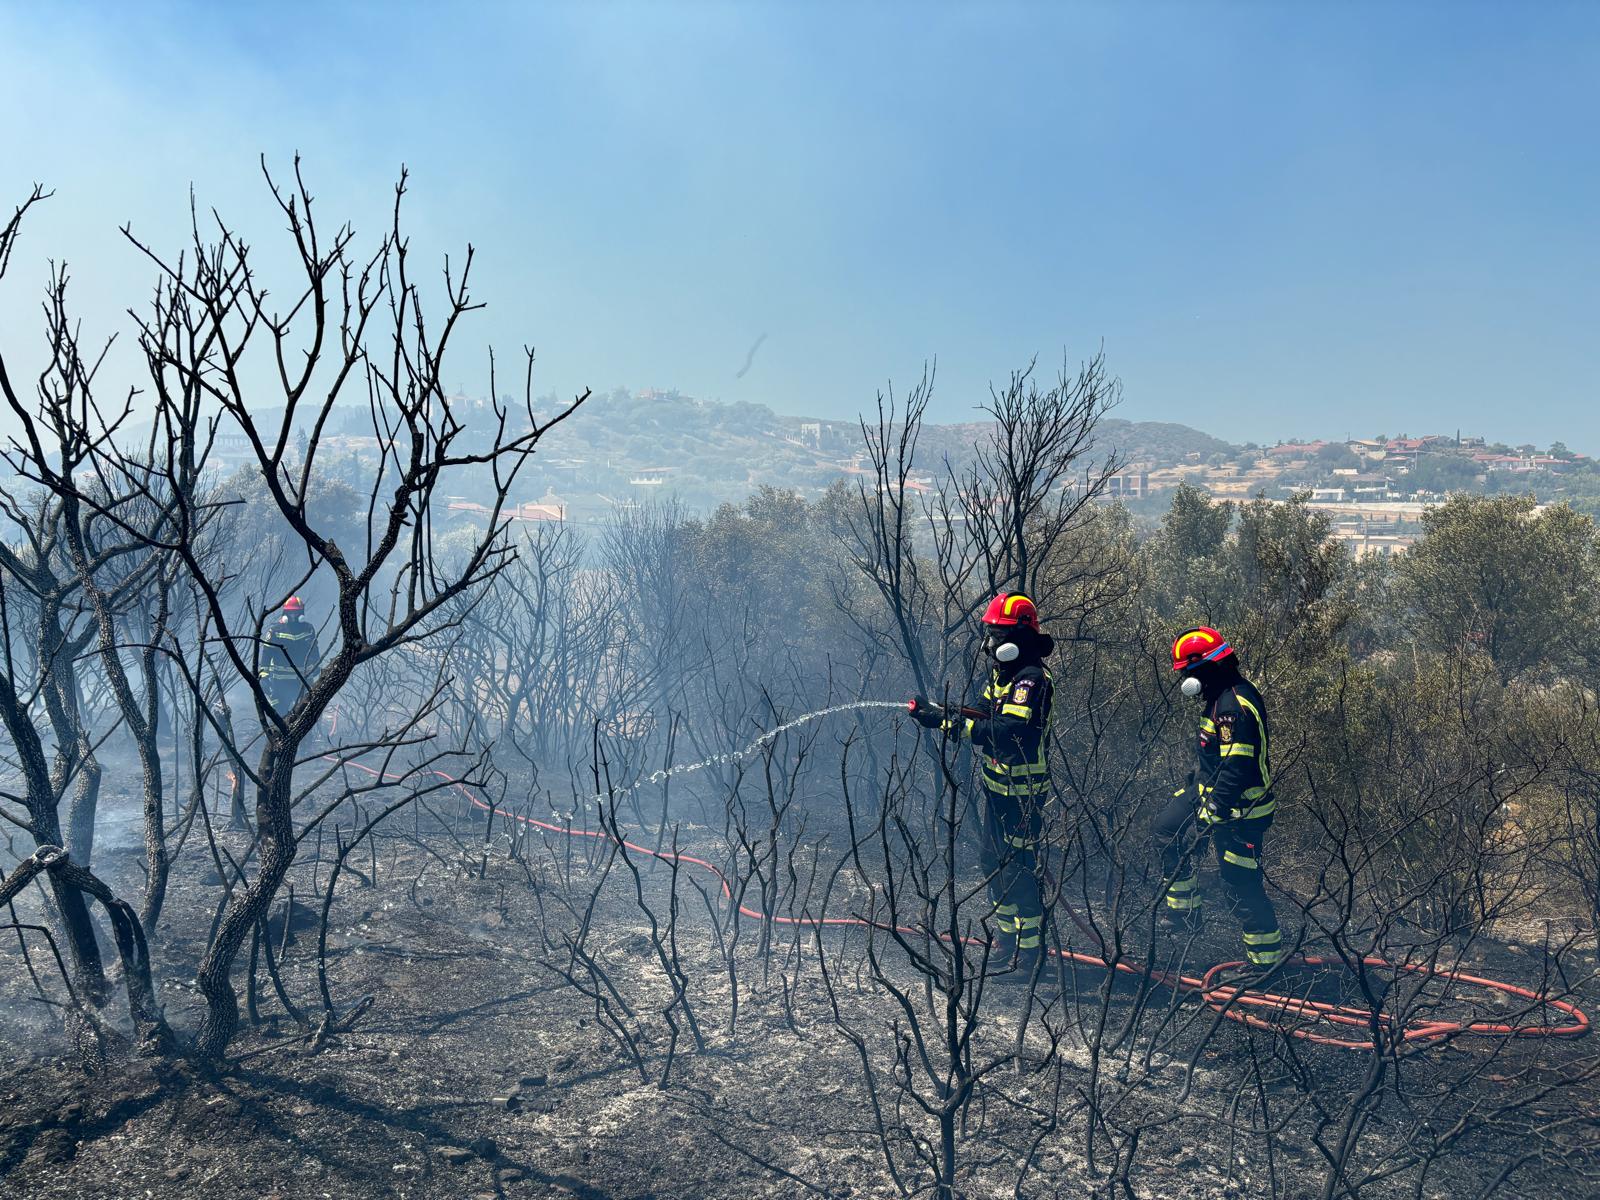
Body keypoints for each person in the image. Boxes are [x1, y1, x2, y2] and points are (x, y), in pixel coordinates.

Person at [912, 592, 1055, 977]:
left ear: (1019, 636)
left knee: (1020, 870)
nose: (990, 642)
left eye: (998, 633)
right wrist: (939, 713)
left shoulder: (1031, 680)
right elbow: (981, 712)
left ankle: (1030, 954)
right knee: (993, 864)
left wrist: (956, 726)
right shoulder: (1003, 676)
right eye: (990, 633)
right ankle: (1007, 940)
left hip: (1022, 794)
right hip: (998, 789)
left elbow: (1011, 732)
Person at [1153, 627, 1283, 972]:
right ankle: (1185, 911)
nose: (1184, 679)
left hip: (1241, 810)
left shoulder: (1232, 706)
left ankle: (1264, 965)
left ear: (1205, 668)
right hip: (1212, 795)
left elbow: (1237, 768)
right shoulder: (1218, 698)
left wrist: (1209, 814)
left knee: (1239, 884)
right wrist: (1196, 787)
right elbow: (1216, 760)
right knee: (1166, 828)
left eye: (1187, 671)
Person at [261, 596, 322, 717]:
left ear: (301, 613)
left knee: (306, 713)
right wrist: (263, 675)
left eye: (296, 612)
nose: (293, 615)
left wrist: (316, 667)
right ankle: (279, 735)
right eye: (290, 612)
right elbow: (266, 654)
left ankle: (306, 735)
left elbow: (314, 650)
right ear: (285, 613)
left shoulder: (308, 629)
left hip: (303, 680)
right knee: (280, 713)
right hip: (280, 682)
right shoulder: (275, 631)